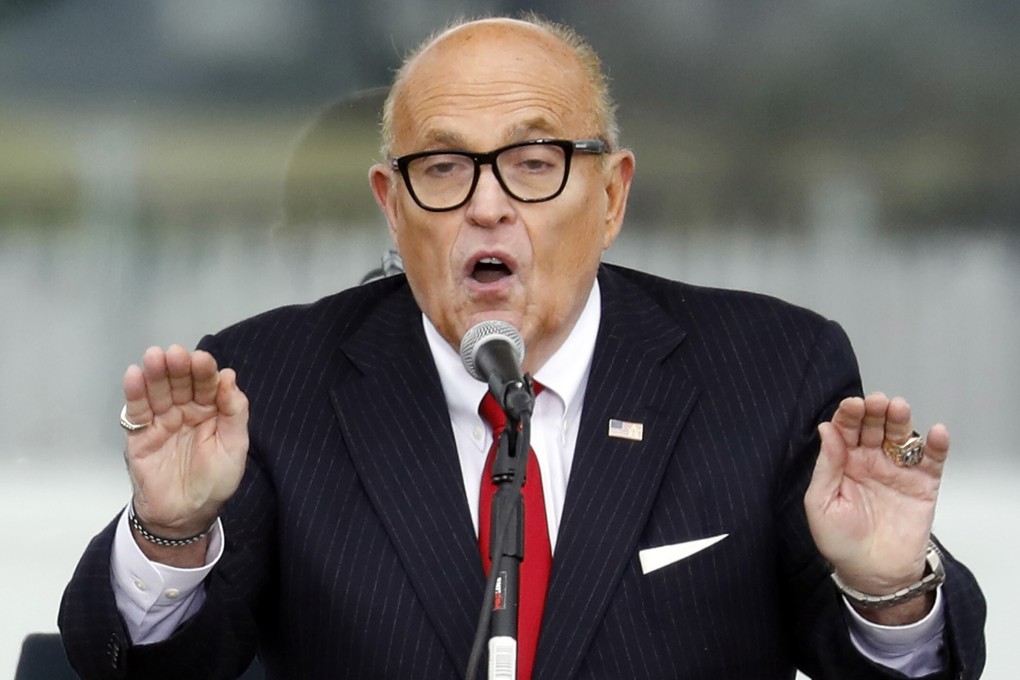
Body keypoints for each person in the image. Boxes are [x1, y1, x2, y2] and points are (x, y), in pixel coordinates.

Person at [59, 15, 986, 680]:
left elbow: (892, 667)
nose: (487, 204)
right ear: (392, 201)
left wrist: (887, 589)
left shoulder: (774, 370)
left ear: (613, 196)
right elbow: (145, 665)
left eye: (535, 164)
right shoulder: (273, 383)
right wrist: (173, 534)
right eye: (444, 167)